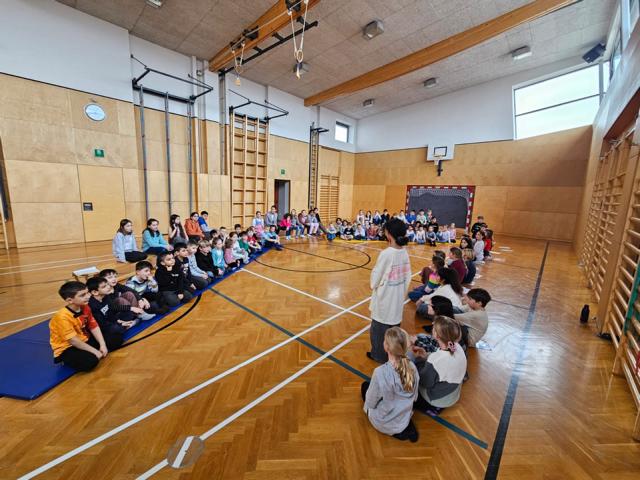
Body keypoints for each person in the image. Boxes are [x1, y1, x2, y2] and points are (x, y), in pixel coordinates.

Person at [49, 281, 122, 372]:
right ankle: (66, 359)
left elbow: (93, 326)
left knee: (116, 339)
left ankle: (88, 351)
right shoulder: (62, 317)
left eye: (87, 292)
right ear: (70, 300)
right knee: (90, 361)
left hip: (84, 339)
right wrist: (95, 351)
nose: (88, 296)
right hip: (67, 347)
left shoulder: (85, 307)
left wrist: (102, 345)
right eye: (82, 295)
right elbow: (73, 341)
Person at [361, 327, 419, 442]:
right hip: (403, 415)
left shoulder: (380, 372)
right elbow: (415, 397)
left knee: (365, 386)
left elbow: (371, 402)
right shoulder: (412, 367)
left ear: (386, 347)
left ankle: (394, 428)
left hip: (384, 421)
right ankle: (403, 427)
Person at [367, 218, 412, 363]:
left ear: (388, 234)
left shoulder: (387, 253)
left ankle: (378, 355)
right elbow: (408, 276)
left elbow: (375, 280)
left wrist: (374, 281)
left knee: (378, 330)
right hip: (397, 297)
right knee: (393, 330)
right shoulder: (404, 252)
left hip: (385, 299)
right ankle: (393, 354)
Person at [411, 316, 467, 413]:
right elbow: (443, 362)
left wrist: (419, 359)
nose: (432, 327)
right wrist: (426, 356)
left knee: (410, 370)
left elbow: (424, 381)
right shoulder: (457, 347)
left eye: (434, 327)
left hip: (438, 399)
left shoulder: (436, 360)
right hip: (453, 393)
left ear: (436, 335)